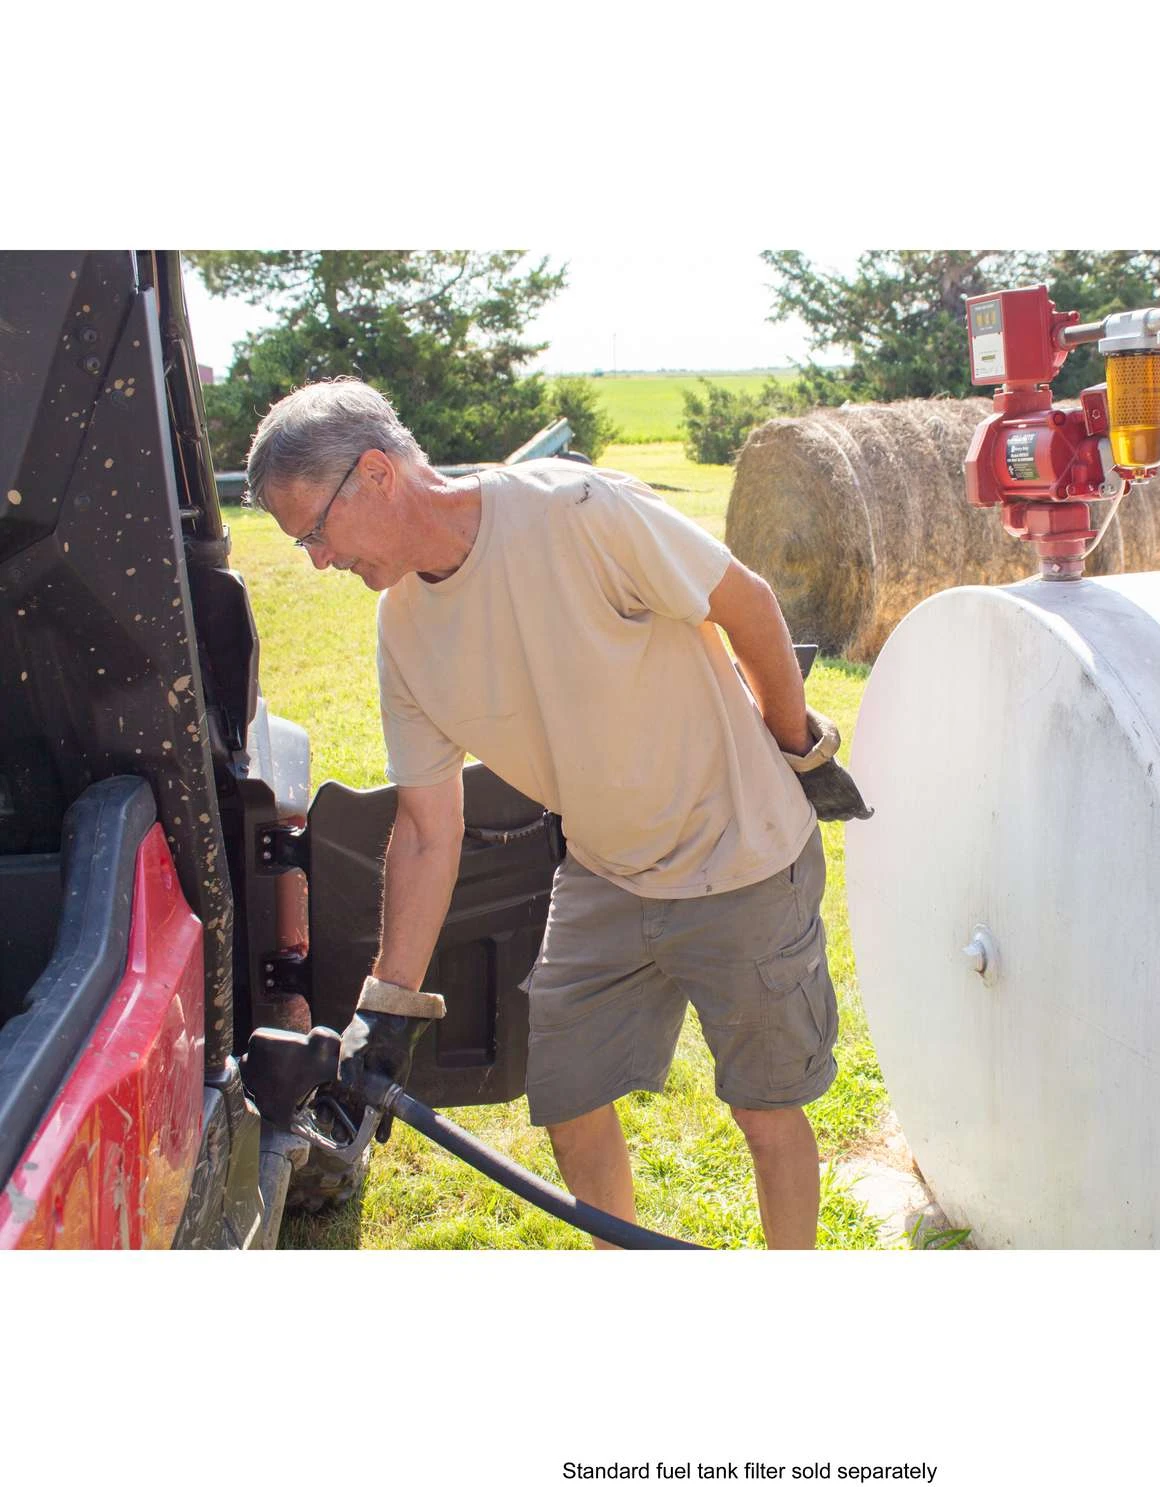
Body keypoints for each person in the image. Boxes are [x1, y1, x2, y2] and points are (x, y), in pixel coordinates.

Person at [245, 379, 871, 1249]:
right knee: (570, 1103)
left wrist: (795, 743)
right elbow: (427, 827)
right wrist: (385, 1010)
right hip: (605, 867)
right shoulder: (404, 633)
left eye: (315, 530)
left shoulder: (579, 513)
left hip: (743, 852)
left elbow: (748, 604)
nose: (316, 560)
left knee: (764, 1112)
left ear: (378, 474)